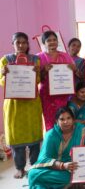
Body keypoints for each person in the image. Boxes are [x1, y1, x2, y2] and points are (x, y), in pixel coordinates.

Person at [0, 32, 43, 179]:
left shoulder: (35, 60)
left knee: (34, 137)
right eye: (18, 42)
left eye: (24, 42)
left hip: (31, 104)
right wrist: (3, 73)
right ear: (13, 43)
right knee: (15, 137)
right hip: (14, 105)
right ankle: (19, 168)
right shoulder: (6, 60)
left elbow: (37, 80)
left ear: (28, 44)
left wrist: (38, 73)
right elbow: (2, 82)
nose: (21, 45)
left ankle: (35, 166)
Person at [28, 107, 85, 188]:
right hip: (54, 168)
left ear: (73, 120)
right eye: (62, 119)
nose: (66, 122)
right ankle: (73, 184)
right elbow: (44, 158)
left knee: (76, 175)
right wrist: (62, 165)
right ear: (57, 121)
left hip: (73, 167)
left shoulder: (80, 129)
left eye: (68, 118)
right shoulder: (51, 135)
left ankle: (68, 183)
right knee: (32, 173)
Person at [37, 30, 76, 130]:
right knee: (49, 121)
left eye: (54, 39)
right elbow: (35, 79)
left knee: (62, 119)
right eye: (49, 40)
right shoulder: (38, 58)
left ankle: (63, 143)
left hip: (62, 94)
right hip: (46, 95)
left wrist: (74, 69)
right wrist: (44, 71)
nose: (52, 42)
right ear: (44, 43)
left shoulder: (65, 56)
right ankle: (51, 142)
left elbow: (75, 74)